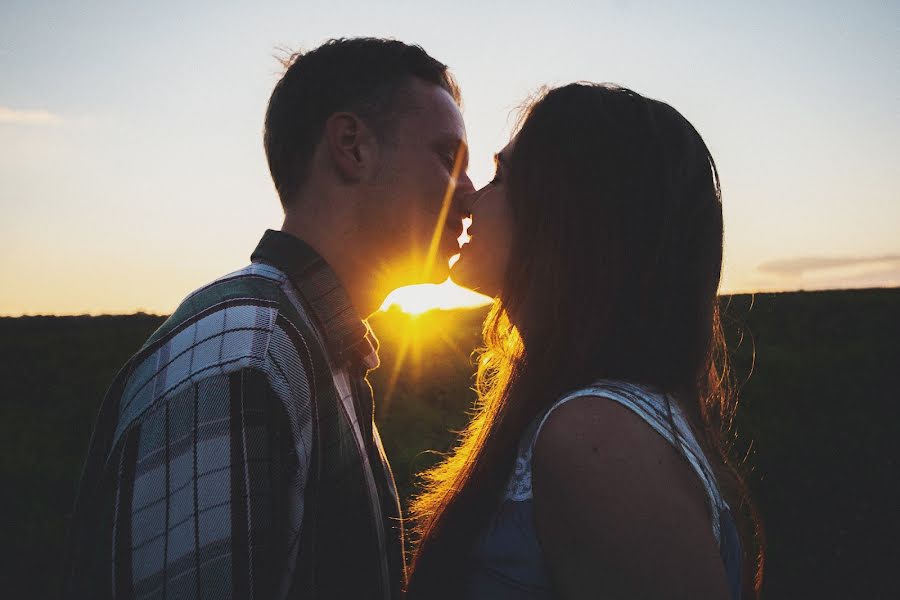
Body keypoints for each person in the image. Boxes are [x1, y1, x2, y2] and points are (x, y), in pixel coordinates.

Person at [62, 37, 472, 599]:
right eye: (448, 160)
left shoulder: (308, 345)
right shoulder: (244, 359)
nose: (469, 195)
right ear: (352, 145)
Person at [408, 83, 764, 599]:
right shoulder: (596, 417)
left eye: (502, 177)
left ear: (567, 214)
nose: (471, 199)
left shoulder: (595, 434)